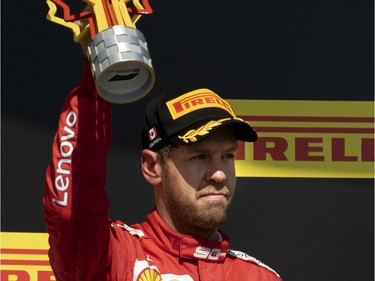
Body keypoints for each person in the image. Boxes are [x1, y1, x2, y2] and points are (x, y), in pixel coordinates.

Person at [43, 60, 282, 280]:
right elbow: (72, 213)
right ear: (152, 167)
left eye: (227, 156)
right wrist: (97, 81)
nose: (219, 174)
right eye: (200, 157)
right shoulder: (116, 256)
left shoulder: (259, 276)